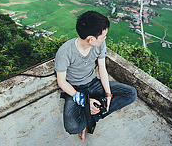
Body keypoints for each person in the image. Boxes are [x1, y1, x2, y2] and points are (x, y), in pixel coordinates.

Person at [54, 11, 137, 141]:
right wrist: (85, 101)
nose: (105, 39)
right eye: (103, 36)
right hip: (75, 89)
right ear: (91, 39)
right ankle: (93, 109)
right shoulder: (65, 52)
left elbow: (102, 69)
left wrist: (108, 94)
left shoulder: (99, 44)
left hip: (93, 83)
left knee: (131, 93)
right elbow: (62, 82)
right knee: (72, 127)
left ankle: (92, 116)